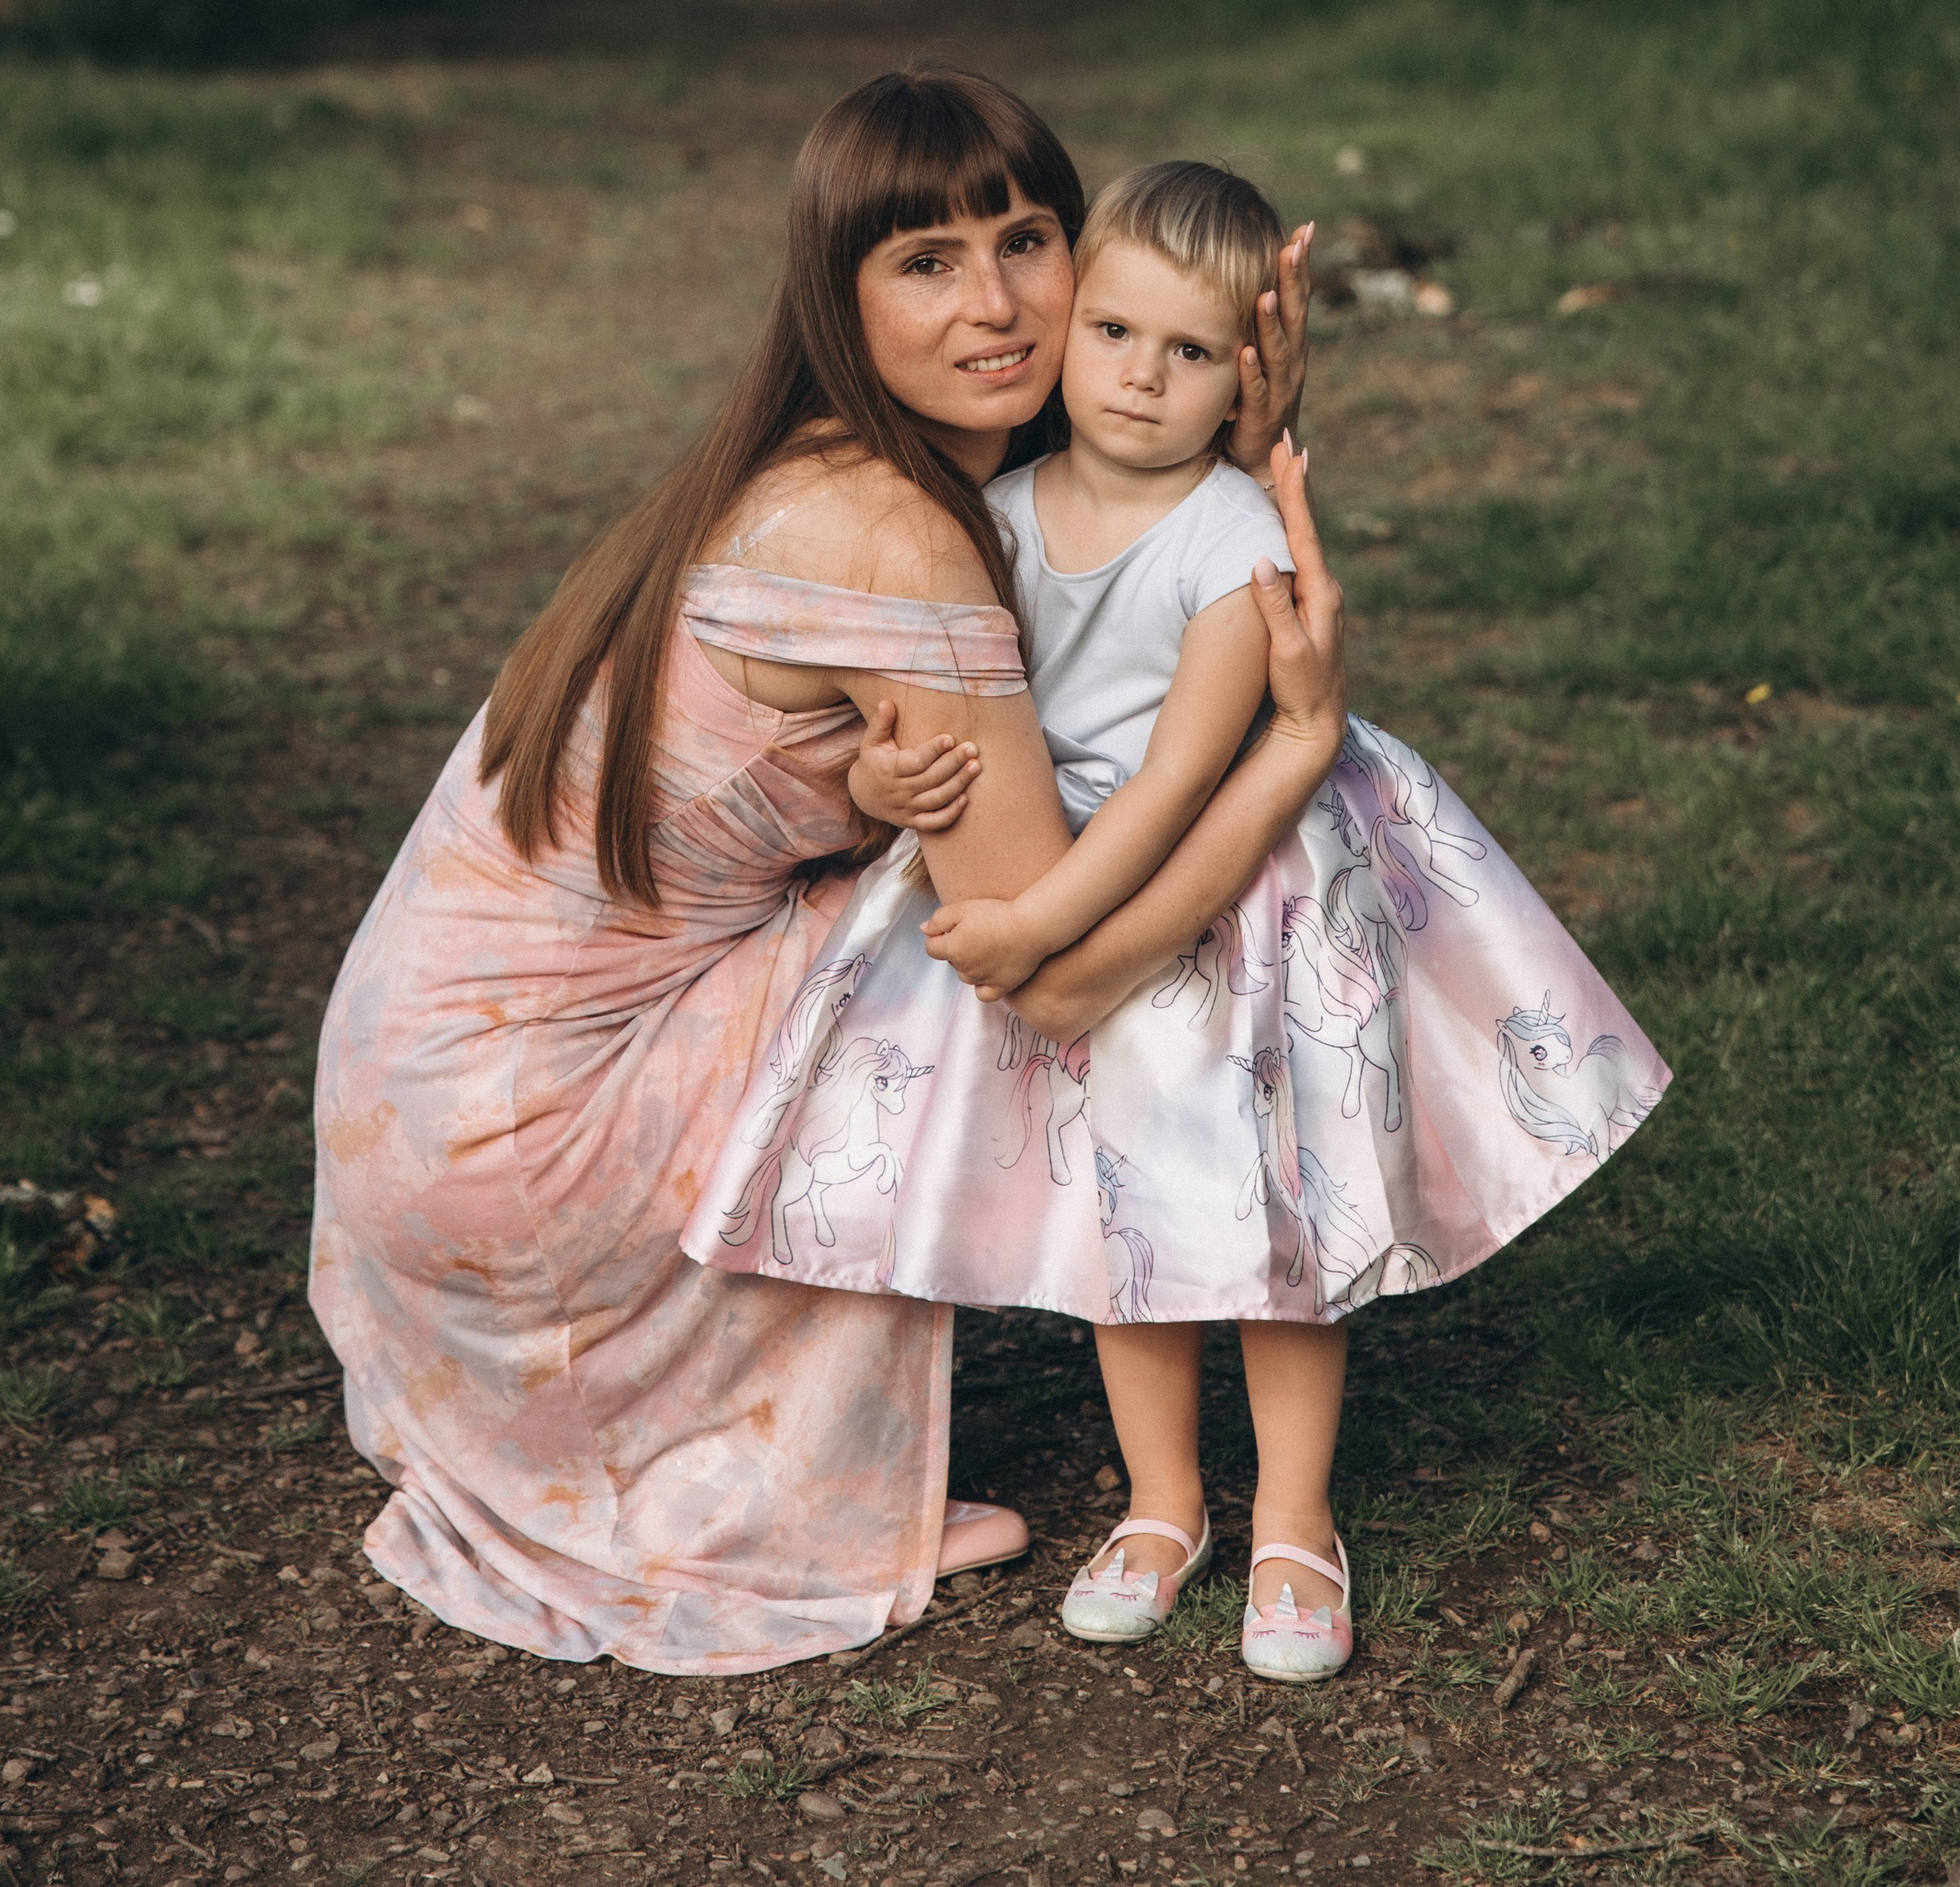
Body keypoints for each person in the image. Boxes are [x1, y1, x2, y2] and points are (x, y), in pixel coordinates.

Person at [310, 69, 1346, 1675]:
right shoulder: (893, 533)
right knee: (965, 947)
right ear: (836, 296)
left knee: (928, 901)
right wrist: (1294, 749)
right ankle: (761, 1457)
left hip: (422, 1088)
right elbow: (1054, 975)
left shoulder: (831, 455)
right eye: (926, 263)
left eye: (1027, 241)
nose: (997, 304)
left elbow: (1122, 544)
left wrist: (1235, 450)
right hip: (528, 1137)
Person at [687, 158, 1670, 1683]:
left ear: (1248, 376)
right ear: (1072, 326)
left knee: (1275, 1210)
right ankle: (1162, 1506)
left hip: (1225, 881)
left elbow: (1173, 779)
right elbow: (924, 699)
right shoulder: (988, 516)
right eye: (1115, 334)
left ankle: (1295, 1520)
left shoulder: (1233, 541)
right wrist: (885, 780)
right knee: (1121, 1210)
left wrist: (1033, 926)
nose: (1143, 378)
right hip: (1064, 854)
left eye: (1192, 351)